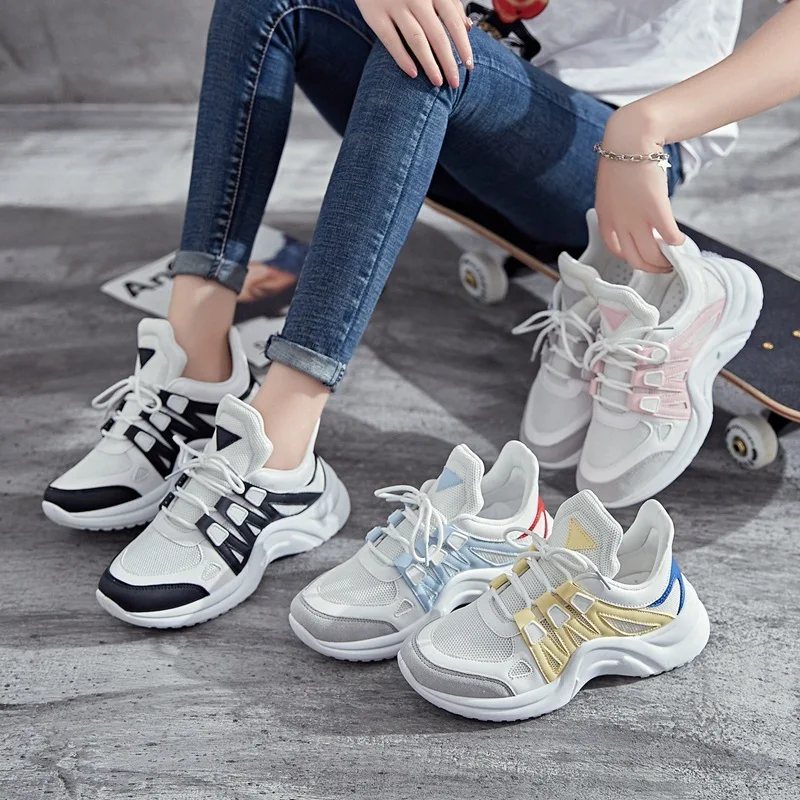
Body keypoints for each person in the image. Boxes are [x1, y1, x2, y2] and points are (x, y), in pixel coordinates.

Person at [43, 0, 746, 626]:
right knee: (275, 4)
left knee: (428, 56)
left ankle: (281, 460)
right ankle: (195, 372)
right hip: (447, 99)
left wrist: (647, 123)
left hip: (606, 154)